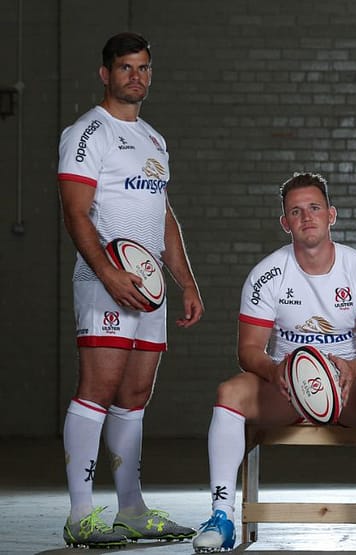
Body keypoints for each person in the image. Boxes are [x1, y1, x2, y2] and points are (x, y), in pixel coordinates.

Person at [192, 173, 356, 552]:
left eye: (314, 208)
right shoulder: (266, 275)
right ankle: (221, 515)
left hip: (346, 388)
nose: (306, 217)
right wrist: (275, 371)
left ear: (331, 215)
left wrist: (353, 368)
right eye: (295, 212)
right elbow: (248, 350)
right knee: (229, 391)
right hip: (286, 390)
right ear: (285, 223)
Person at [56, 32, 204, 548]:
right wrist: (107, 274)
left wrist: (184, 282)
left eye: (143, 68)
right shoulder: (86, 133)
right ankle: (80, 515)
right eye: (125, 68)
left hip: (151, 289)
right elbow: (75, 213)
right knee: (97, 391)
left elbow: (162, 218)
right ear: (106, 74)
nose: (135, 76)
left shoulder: (154, 139)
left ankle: (131, 509)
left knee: (135, 396)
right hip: (104, 285)